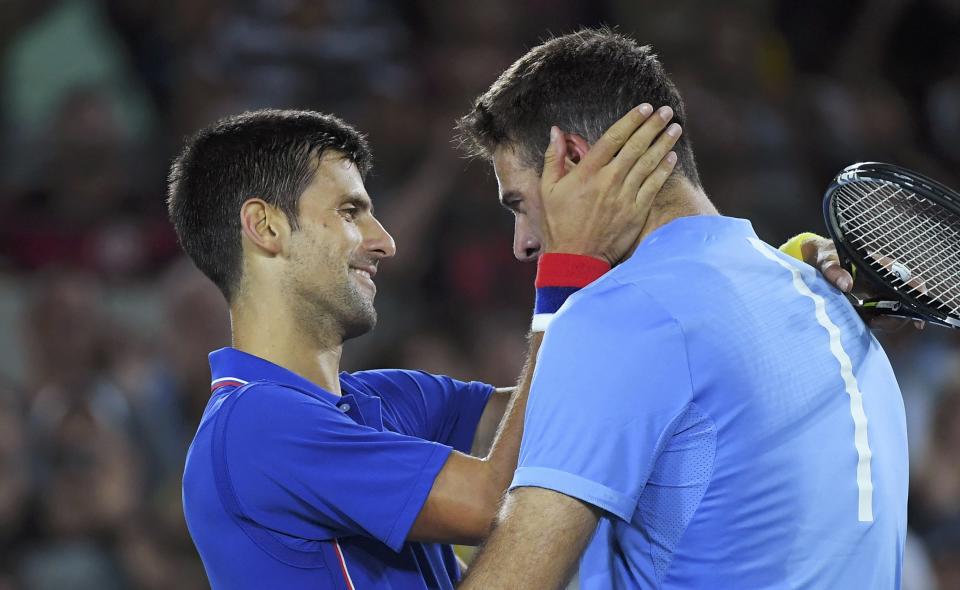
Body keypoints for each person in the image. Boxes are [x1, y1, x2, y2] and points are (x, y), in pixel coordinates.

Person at [456, 28, 908, 589]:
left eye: (520, 204)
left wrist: (565, 291)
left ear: (571, 158)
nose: (522, 242)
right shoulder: (823, 293)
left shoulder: (621, 317)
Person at [170, 106, 684, 588]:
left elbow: (559, 410)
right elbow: (490, 500)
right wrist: (569, 264)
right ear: (266, 227)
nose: (385, 241)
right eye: (351, 211)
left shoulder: (384, 400)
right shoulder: (255, 424)